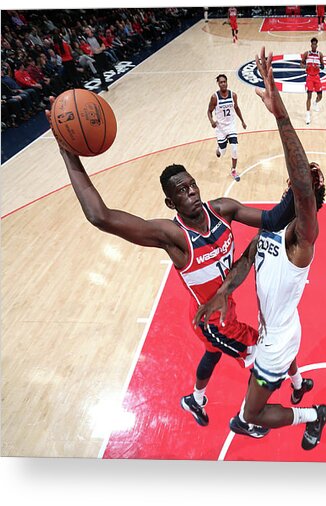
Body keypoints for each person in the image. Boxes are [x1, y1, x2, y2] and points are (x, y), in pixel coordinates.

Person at [45, 97, 299, 429]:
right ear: (171, 201)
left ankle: (195, 398)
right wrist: (68, 151)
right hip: (212, 319)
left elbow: (276, 218)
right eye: (182, 190)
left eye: (192, 184)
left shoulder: (223, 209)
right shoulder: (172, 236)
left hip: (226, 305)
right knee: (266, 361)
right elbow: (100, 216)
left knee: (213, 353)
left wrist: (301, 186)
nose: (191, 191)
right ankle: (252, 418)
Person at [194, 47, 326, 449]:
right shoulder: (273, 226)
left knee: (248, 416)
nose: (292, 189)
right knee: (278, 340)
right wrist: (223, 291)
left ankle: (313, 416)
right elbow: (247, 260)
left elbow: (302, 184)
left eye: (298, 189)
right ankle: (300, 382)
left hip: (278, 341)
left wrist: (281, 115)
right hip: (279, 326)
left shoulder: (302, 238)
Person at [208, 74, 247, 181]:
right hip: (220, 128)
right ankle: (219, 149)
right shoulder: (214, 97)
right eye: (221, 82)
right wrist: (212, 121)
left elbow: (237, 107)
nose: (223, 83)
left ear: (227, 82)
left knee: (234, 149)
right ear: (218, 84)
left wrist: (242, 121)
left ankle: (233, 170)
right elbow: (209, 111)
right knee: (222, 152)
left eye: (224, 81)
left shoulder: (233, 95)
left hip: (231, 126)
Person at [300, 37, 324, 125]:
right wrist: (304, 66)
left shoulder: (320, 54)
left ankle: (315, 103)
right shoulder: (307, 54)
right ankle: (308, 115)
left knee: (320, 96)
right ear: (311, 45)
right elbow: (301, 64)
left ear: (317, 45)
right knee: (309, 96)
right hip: (309, 77)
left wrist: (320, 67)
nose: (314, 45)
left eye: (315, 44)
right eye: (312, 44)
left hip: (317, 77)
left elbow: (323, 66)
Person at [83, 26, 111, 91]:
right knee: (100, 71)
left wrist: (98, 50)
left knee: (107, 68)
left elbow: (103, 47)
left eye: (88, 30)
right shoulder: (86, 39)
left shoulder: (96, 37)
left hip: (101, 54)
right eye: (85, 31)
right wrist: (91, 51)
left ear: (90, 30)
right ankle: (104, 86)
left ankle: (112, 67)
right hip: (96, 56)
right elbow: (90, 47)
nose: (87, 31)